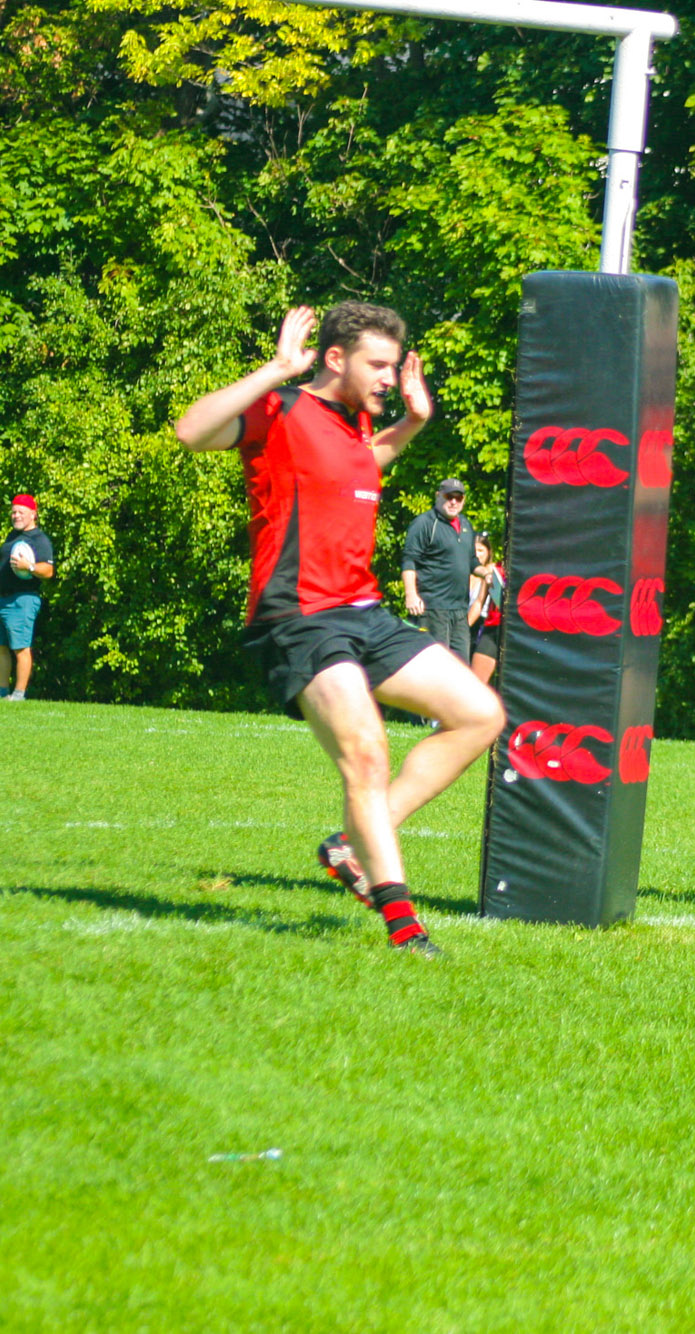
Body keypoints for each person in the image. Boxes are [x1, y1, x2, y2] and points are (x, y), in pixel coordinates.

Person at [173, 302, 504, 957]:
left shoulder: (357, 427)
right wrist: (273, 370)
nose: (388, 377)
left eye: (393, 366)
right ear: (334, 359)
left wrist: (412, 421)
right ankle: (404, 927)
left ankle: (353, 844)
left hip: (362, 613)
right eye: (377, 365)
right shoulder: (283, 411)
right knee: (367, 752)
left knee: (480, 713)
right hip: (296, 619)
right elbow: (191, 431)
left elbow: (360, 466)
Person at [0, 493, 57, 700]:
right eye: (14, 512)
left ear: (33, 514)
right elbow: (3, 567)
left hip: (23, 599)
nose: (16, 515)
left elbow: (49, 571)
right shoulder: (12, 537)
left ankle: (19, 693)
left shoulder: (39, 539)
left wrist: (30, 566)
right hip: (4, 598)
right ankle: (2, 691)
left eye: (21, 512)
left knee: (20, 646)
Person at [402, 478, 476, 666]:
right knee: (434, 668)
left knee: (461, 668)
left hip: (459, 610)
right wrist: (411, 595)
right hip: (433, 608)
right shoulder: (425, 523)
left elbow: (472, 561)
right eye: (449, 496)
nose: (453, 502)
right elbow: (409, 560)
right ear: (438, 496)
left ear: (463, 500)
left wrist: (487, 573)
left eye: (458, 498)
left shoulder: (466, 525)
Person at [466, 533, 504, 685]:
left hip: (518, 630)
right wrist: (463, 628)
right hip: (492, 629)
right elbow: (478, 603)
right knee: (475, 683)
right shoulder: (494, 569)